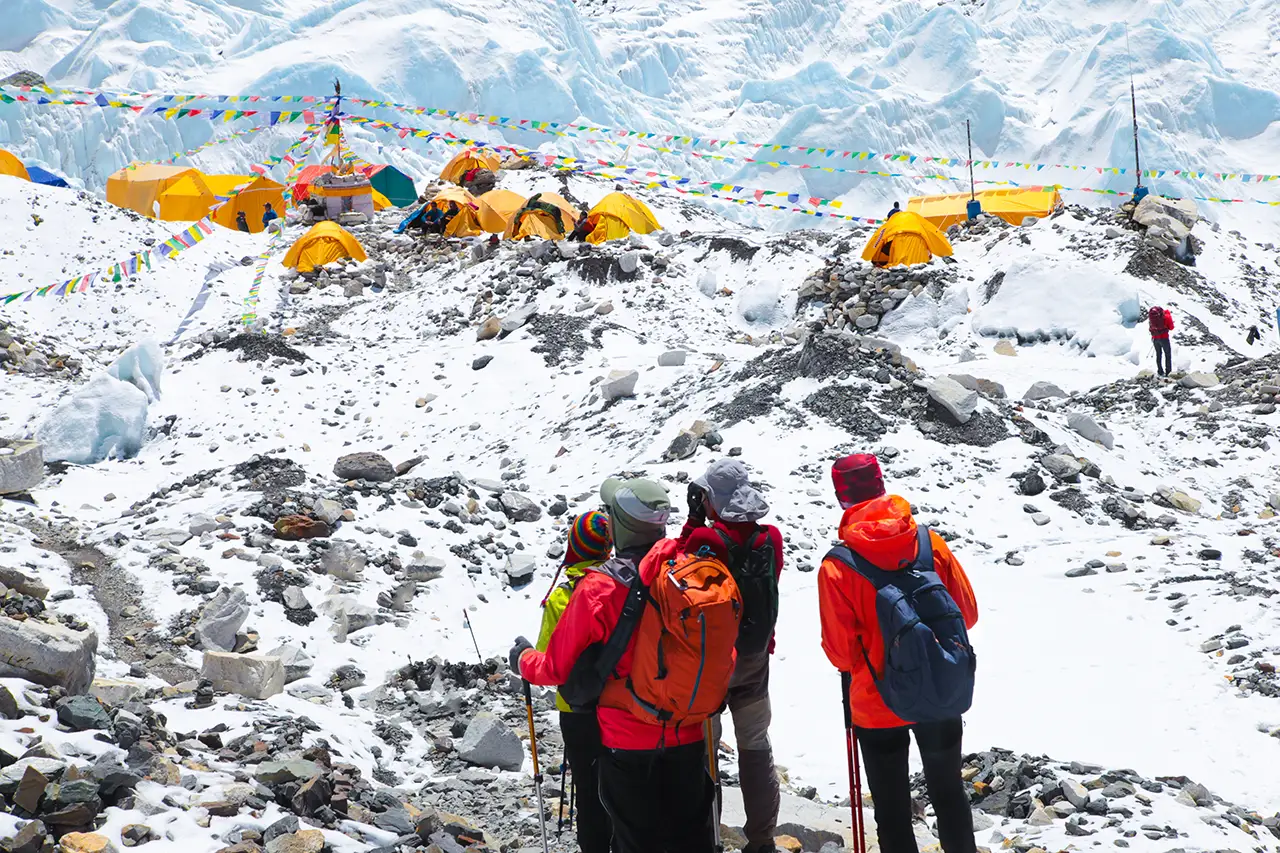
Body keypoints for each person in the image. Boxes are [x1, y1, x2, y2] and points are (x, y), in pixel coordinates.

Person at [512, 477, 723, 853]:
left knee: (636, 839)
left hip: (627, 739)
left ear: (621, 525)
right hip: (687, 729)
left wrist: (524, 660)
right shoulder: (693, 571)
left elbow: (556, 667)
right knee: (691, 838)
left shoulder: (600, 587)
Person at [818, 454, 979, 853]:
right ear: (881, 483)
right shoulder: (928, 542)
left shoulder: (838, 566)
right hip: (939, 692)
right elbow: (968, 615)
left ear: (841, 496)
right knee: (948, 793)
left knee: (890, 808)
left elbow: (840, 653)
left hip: (876, 703)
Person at [685, 459, 783, 853]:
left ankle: (709, 835)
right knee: (756, 744)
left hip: (710, 663)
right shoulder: (770, 538)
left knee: (707, 750)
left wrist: (694, 521)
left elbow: (678, 569)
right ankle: (762, 838)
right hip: (755, 658)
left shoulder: (702, 542)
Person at [534, 511, 614, 853]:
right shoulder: (619, 587)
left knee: (587, 787)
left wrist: (523, 657)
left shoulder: (562, 597)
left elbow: (547, 660)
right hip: (618, 707)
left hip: (577, 711)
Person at [1149, 305, 1175, 376]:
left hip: (1155, 338)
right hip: (1164, 338)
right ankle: (1168, 372)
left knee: (1158, 354)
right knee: (1167, 355)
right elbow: (1171, 327)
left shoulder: (1152, 317)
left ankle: (1160, 371)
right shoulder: (1166, 317)